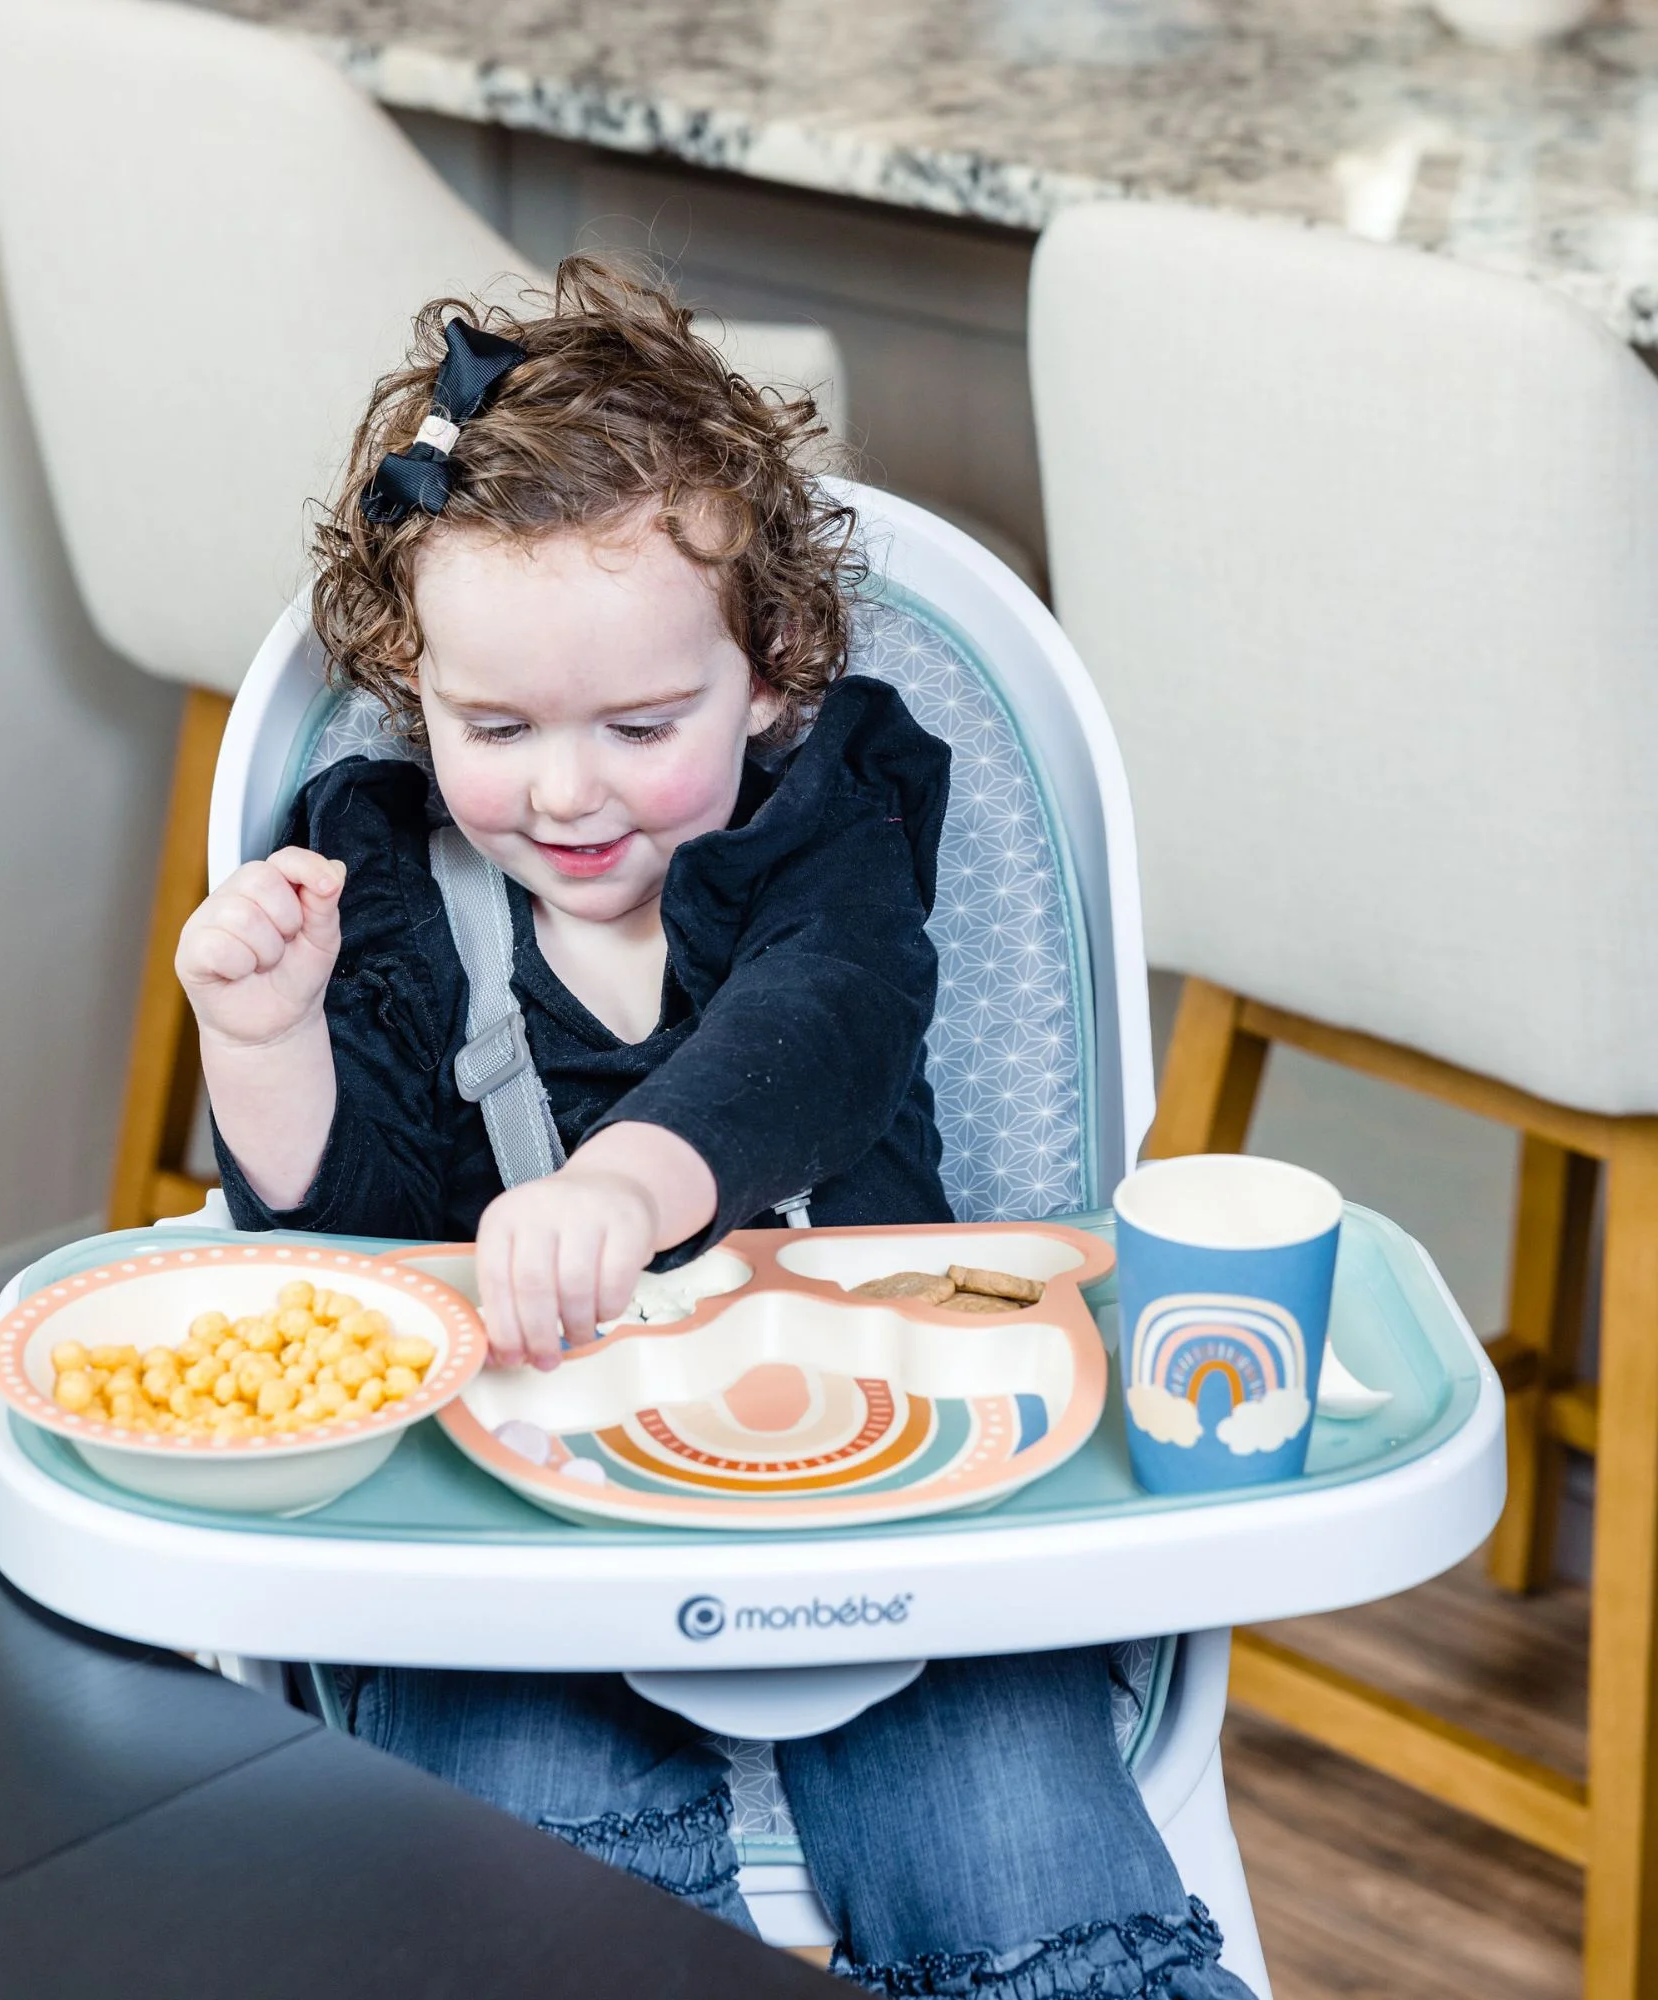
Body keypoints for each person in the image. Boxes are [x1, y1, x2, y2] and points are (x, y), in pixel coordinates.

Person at [175, 257, 1254, 1998]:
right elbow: (345, 1252)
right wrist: (266, 1039)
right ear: (411, 680)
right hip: (507, 1540)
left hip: (897, 1507)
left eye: (642, 724)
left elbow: (819, 1028)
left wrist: (630, 1179)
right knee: (510, 1858)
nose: (565, 789)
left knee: (1011, 1838)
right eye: (495, 725)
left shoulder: (838, 820)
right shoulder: (376, 866)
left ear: (764, 677)